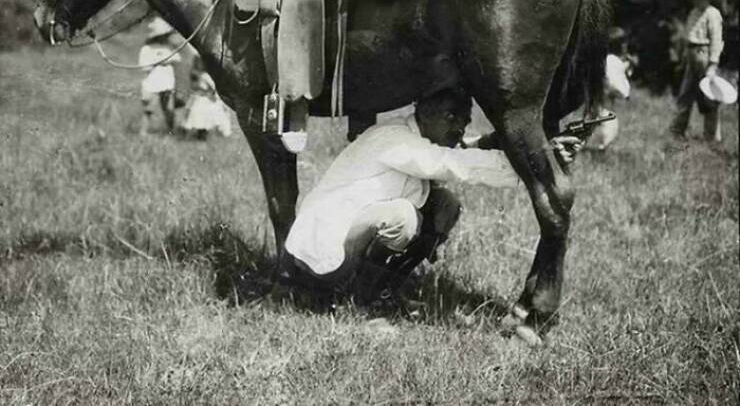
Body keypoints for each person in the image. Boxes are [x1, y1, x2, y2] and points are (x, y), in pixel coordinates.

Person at [273, 86, 583, 308]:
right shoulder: (395, 139)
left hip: (345, 236)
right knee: (402, 217)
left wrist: (544, 153)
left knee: (445, 205)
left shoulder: (417, 136)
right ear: (431, 114)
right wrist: (535, 164)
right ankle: (359, 301)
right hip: (322, 250)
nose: (460, 130)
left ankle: (384, 291)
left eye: (463, 122)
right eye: (454, 120)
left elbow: (458, 152)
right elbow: (451, 163)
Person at [669, 0, 724, 142]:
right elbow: (689, 37)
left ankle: (712, 136)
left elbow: (716, 40)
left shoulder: (712, 14)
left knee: (708, 98)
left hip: (704, 55)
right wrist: (685, 58)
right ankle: (678, 130)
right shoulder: (693, 13)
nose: (697, 1)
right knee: (685, 94)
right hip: (692, 56)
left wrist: (713, 65)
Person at [138, 17, 181, 135]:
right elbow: (144, 65)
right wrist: (159, 61)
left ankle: (170, 131)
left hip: (167, 82)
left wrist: (165, 60)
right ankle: (144, 131)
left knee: (169, 108)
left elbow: (177, 59)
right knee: (149, 108)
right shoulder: (147, 48)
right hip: (153, 82)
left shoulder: (169, 47)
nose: (165, 37)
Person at [182, 55, 232, 140]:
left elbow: (213, 88)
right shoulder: (196, 75)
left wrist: (208, 93)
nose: (199, 65)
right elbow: (193, 87)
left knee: (206, 116)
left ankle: (204, 134)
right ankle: (199, 134)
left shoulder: (206, 76)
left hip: (206, 98)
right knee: (196, 115)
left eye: (201, 63)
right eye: (197, 63)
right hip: (199, 98)